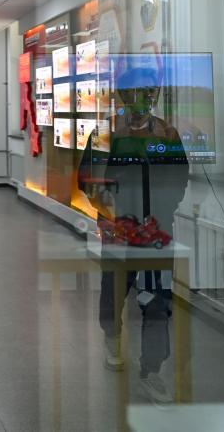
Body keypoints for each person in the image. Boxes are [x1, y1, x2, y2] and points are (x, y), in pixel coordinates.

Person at [79, 62, 189, 404]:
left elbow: (179, 178)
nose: (144, 98)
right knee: (114, 289)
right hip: (118, 230)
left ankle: (151, 370)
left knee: (157, 300)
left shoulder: (167, 134)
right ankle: (112, 336)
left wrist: (158, 214)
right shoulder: (105, 134)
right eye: (137, 92)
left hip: (157, 232)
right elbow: (88, 179)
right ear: (124, 96)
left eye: (149, 92)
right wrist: (114, 212)